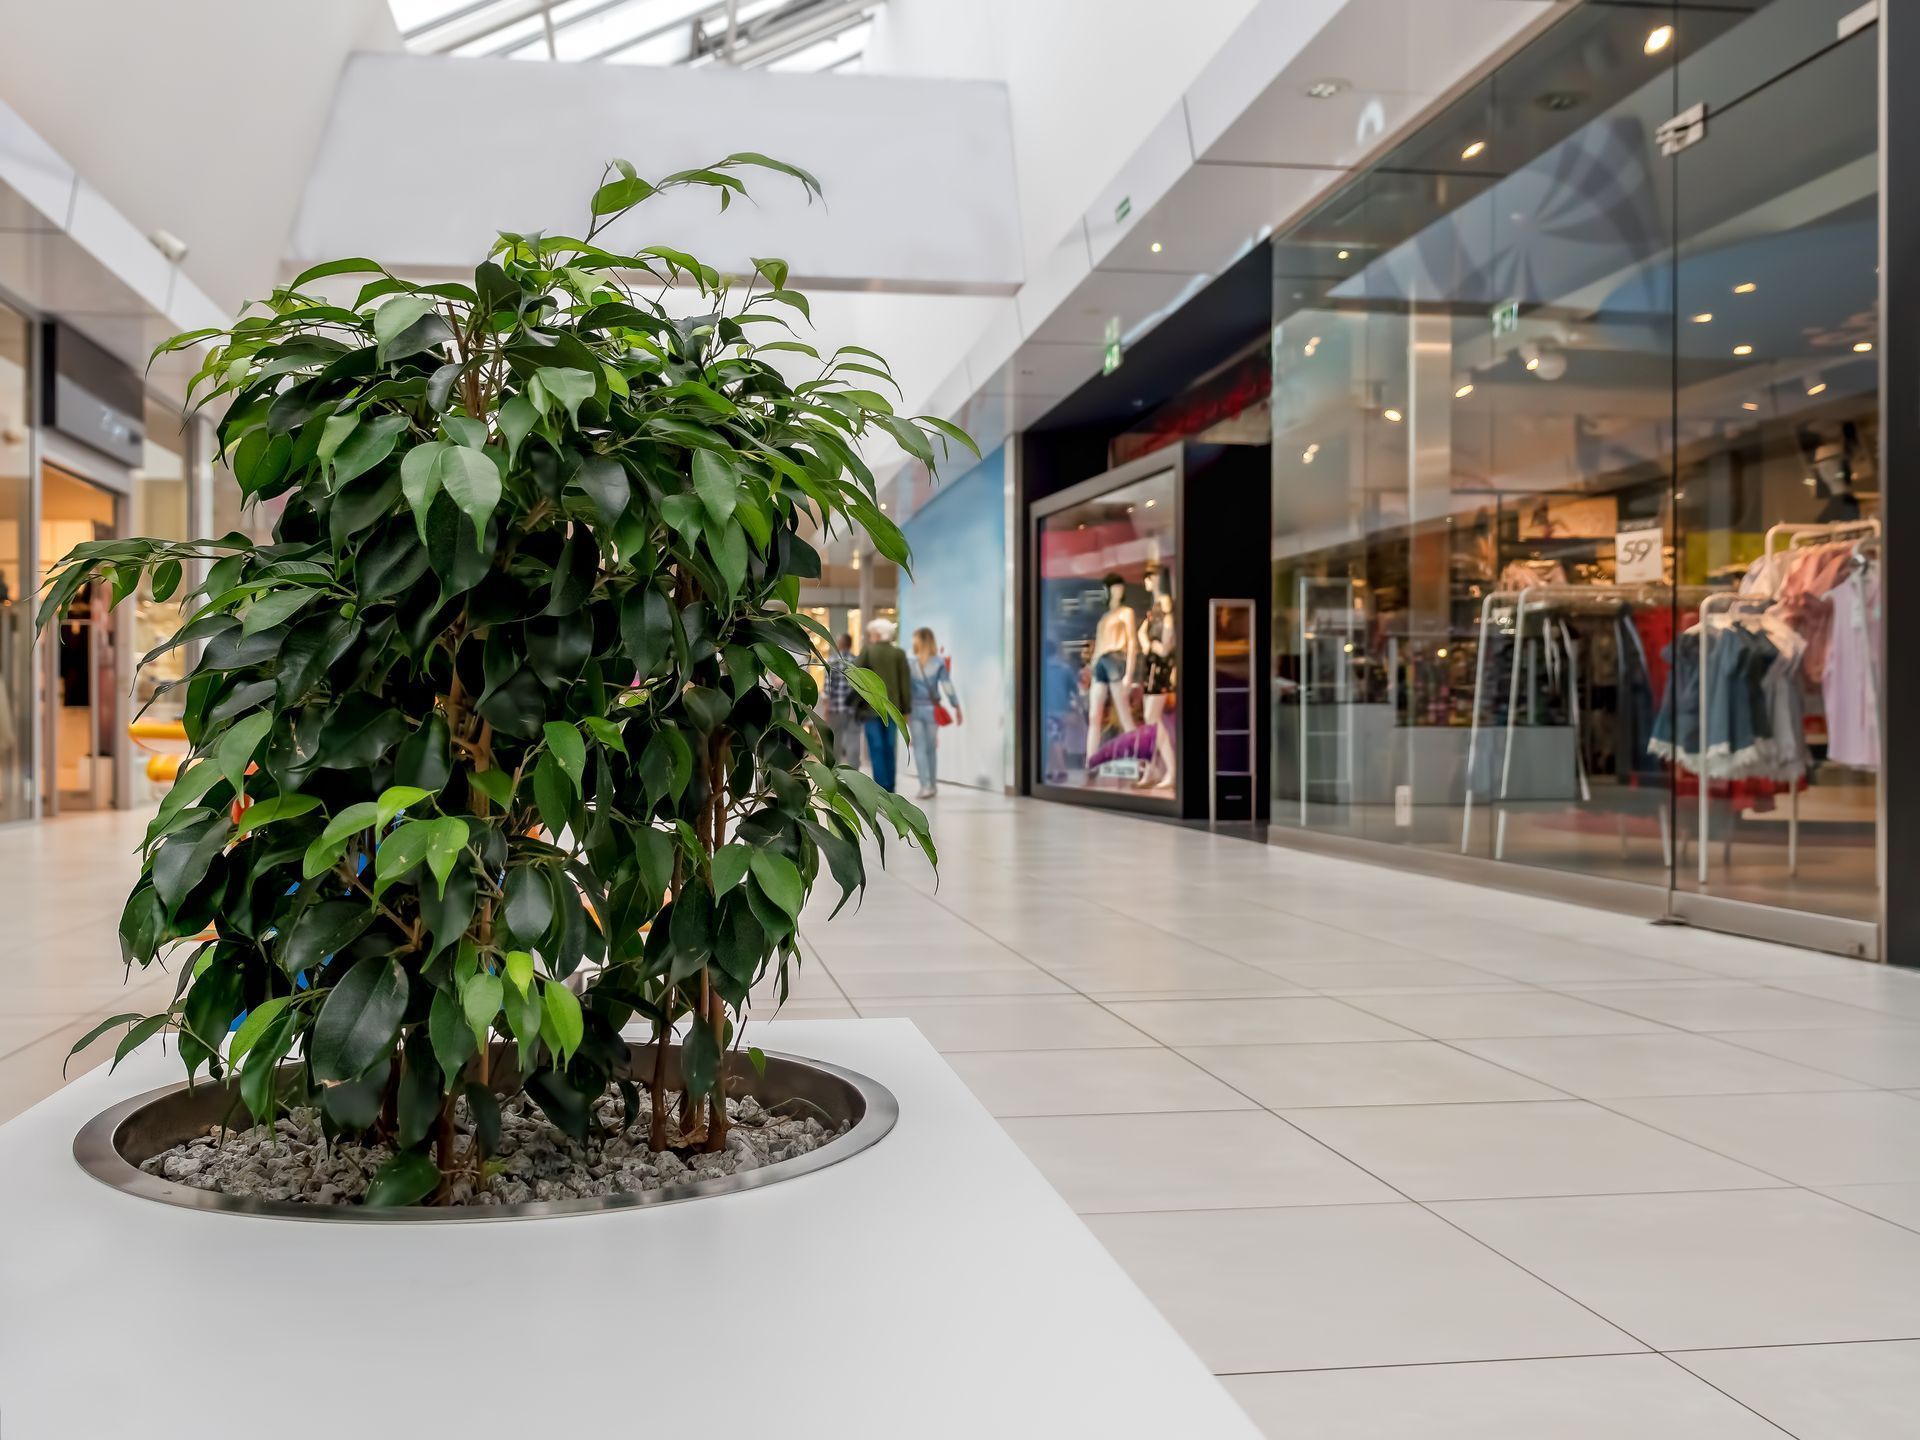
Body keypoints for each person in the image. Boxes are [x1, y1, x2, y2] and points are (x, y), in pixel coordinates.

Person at [855, 617, 911, 791]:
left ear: (877, 634)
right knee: (889, 747)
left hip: (870, 709)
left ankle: (880, 787)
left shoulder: (868, 651)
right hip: (893, 710)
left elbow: (856, 677)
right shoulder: (899, 654)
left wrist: (857, 705)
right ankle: (890, 787)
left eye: (871, 634)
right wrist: (906, 709)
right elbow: (905, 684)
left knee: (876, 747)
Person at [907, 627, 963, 799]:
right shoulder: (938, 662)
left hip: (915, 709)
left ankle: (925, 786)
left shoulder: (910, 662)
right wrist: (956, 706)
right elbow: (947, 686)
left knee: (919, 748)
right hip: (932, 709)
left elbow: (905, 688)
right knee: (931, 748)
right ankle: (932, 784)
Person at [821, 632, 862, 768]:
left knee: (834, 741)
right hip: (853, 709)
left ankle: (834, 771)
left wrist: (826, 709)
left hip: (835, 709)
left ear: (839, 644)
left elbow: (828, 688)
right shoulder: (857, 661)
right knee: (853, 740)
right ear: (850, 645)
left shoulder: (832, 661)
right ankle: (854, 772)